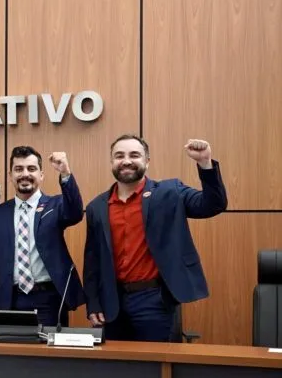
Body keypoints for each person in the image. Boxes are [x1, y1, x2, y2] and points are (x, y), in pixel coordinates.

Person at [83, 135, 227, 342]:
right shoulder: (96, 207)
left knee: (156, 362)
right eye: (119, 156)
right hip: (112, 303)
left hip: (154, 299)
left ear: (147, 161)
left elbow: (213, 205)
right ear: (112, 162)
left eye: (134, 155)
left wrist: (205, 163)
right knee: (116, 362)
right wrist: (93, 302)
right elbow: (92, 261)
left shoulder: (170, 192)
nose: (126, 161)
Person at [0, 146, 85, 327]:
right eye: (19, 169)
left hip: (48, 300)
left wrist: (65, 172)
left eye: (31, 168)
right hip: (9, 300)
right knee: (10, 346)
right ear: (10, 175)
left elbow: (75, 212)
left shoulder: (55, 205)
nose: (25, 174)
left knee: (48, 345)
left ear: (41, 175)